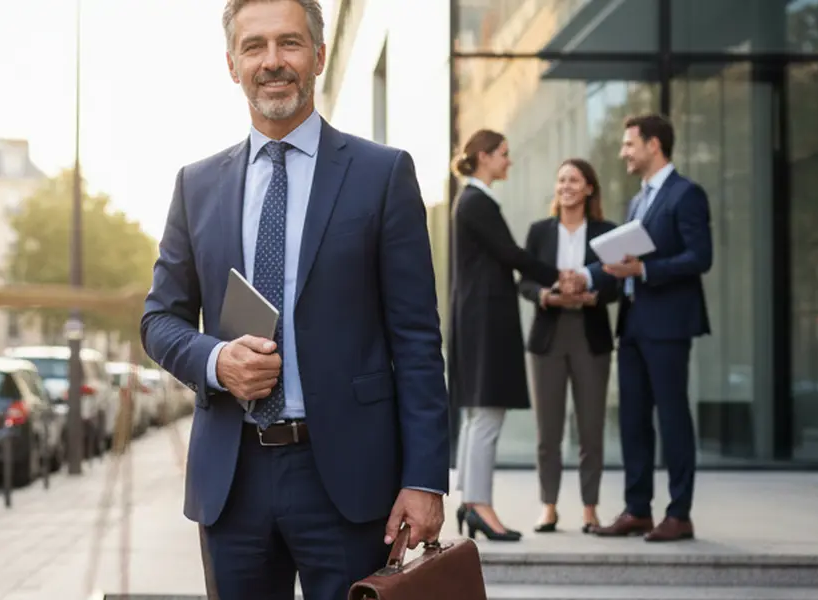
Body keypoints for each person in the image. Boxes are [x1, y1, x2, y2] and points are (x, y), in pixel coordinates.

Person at [140, 0, 450, 597]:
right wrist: (216, 361)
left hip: (350, 479)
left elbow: (417, 340)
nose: (272, 61)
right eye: (254, 46)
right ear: (232, 64)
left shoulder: (382, 174)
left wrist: (424, 478)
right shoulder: (196, 185)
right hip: (232, 479)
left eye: (289, 42)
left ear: (319, 56)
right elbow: (159, 320)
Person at [562, 113, 713, 542]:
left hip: (668, 326)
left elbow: (700, 257)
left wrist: (644, 270)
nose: (623, 152)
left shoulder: (686, 194)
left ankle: (679, 514)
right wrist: (587, 276)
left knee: (672, 418)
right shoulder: (637, 201)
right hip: (632, 326)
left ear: (653, 145)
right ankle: (638, 509)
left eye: (629, 144)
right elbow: (623, 262)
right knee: (632, 421)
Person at [448, 129, 558, 542]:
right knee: (486, 414)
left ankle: (471, 502)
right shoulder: (477, 201)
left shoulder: (471, 200)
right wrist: (558, 276)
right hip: (484, 320)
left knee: (479, 415)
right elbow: (511, 254)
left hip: (478, 318)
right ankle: (479, 505)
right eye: (504, 154)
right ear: (484, 156)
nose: (509, 161)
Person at [518, 158, 620, 534]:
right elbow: (524, 282)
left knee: (591, 428)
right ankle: (549, 507)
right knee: (548, 431)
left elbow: (616, 282)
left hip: (590, 336)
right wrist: (546, 294)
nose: (566, 186)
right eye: (561, 180)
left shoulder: (607, 232)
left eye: (574, 180)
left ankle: (590, 509)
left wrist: (594, 295)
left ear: (589, 188)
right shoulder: (540, 231)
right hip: (548, 337)